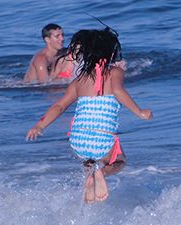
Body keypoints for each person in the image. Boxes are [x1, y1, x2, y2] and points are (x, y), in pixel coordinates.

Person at [26, 28, 153, 203]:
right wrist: (140, 112)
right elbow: (118, 90)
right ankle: (102, 173)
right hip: (102, 138)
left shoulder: (77, 81)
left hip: (78, 140)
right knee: (119, 161)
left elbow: (59, 106)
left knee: (90, 157)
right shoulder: (115, 72)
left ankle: (90, 180)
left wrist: (39, 125)